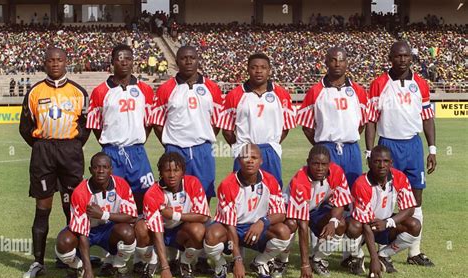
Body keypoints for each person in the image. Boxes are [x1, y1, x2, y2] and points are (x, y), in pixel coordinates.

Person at [19, 47, 90, 278]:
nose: (55, 64)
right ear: (45, 63)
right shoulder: (34, 92)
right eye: (51, 60)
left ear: (66, 62)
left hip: (70, 152)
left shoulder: (78, 92)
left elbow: (86, 126)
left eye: (59, 60)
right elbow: (25, 128)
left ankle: (70, 259)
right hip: (43, 153)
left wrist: (72, 144)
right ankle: (38, 262)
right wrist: (42, 146)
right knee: (42, 209)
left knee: (72, 208)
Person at [366, 41, 436, 266]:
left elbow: (427, 118)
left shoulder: (421, 84)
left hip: (413, 146)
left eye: (406, 56)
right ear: (390, 58)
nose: (402, 60)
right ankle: (364, 250)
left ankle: (413, 252)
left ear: (411, 58)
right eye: (397, 56)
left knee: (416, 198)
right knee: (382, 197)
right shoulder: (379, 84)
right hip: (389, 146)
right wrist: (369, 150)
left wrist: (432, 149)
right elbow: (371, 120)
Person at [203, 144, 291, 278]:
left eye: (254, 157)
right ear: (239, 161)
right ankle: (221, 264)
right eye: (245, 157)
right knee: (211, 235)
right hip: (232, 228)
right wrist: (237, 260)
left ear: (261, 161)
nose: (250, 160)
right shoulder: (227, 184)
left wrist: (262, 222)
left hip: (256, 228)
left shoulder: (271, 181)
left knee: (283, 231)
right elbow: (230, 225)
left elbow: (280, 214)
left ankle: (260, 262)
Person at [87, 44, 155, 214]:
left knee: (144, 194)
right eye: (120, 58)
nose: (124, 62)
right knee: (113, 196)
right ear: (112, 62)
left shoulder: (145, 90)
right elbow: (96, 126)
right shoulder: (100, 91)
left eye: (128, 59)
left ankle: (141, 233)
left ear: (133, 62)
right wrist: (109, 142)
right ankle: (114, 235)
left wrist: (137, 140)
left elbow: (149, 122)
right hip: (111, 153)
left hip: (137, 152)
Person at [151, 46, 223, 202]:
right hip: (175, 148)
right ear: (177, 62)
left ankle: (202, 223)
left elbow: (217, 121)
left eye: (192, 58)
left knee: (204, 193)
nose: (188, 61)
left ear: (198, 60)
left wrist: (202, 138)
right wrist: (169, 143)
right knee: (174, 194)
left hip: (202, 149)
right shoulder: (166, 89)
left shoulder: (212, 88)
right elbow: (157, 123)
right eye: (184, 58)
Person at [55, 153, 138, 278]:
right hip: (86, 232)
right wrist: (89, 270)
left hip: (108, 230)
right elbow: (82, 233)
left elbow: (132, 216)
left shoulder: (121, 185)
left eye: (105, 167)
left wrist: (103, 214)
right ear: (90, 170)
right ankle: (76, 266)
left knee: (127, 232)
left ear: (111, 170)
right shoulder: (80, 192)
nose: (100, 171)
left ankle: (118, 264)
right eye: (96, 167)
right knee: (64, 242)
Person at [217, 53, 296, 187]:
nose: (258, 71)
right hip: (245, 150)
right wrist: (240, 148)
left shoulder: (281, 94)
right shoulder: (234, 95)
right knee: (241, 192)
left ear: (269, 70)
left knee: (273, 191)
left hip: (270, 150)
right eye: (254, 67)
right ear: (248, 69)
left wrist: (272, 145)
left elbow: (285, 128)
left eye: (263, 67)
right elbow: (227, 130)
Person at [297, 47, 368, 188]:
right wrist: (322, 146)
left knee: (353, 190)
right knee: (326, 191)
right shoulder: (315, 91)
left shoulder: (358, 91)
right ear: (326, 62)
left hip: (351, 148)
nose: (337, 64)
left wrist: (347, 136)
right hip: (327, 148)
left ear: (346, 63)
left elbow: (362, 123)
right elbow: (306, 127)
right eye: (333, 60)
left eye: (341, 60)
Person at [346, 146, 421, 278]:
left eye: (386, 161)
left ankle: (384, 255)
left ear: (391, 163)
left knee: (414, 225)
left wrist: (388, 222)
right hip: (364, 227)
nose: (382, 165)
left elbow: (410, 208)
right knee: (353, 227)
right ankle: (356, 256)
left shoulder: (399, 177)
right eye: (377, 161)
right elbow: (366, 224)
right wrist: (372, 260)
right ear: (369, 162)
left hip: (384, 224)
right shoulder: (361, 183)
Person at [135, 152, 210, 278]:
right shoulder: (152, 193)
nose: (172, 175)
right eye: (167, 170)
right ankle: (152, 262)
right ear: (160, 172)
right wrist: (165, 268)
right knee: (141, 227)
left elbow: (204, 216)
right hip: (159, 232)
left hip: (181, 231)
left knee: (198, 229)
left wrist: (175, 215)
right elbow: (157, 231)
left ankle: (185, 263)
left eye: (176, 170)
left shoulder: (193, 183)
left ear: (183, 171)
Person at [283, 145, 352, 278]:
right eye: (315, 164)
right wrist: (304, 265)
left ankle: (317, 259)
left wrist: (332, 222)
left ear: (329, 164)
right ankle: (281, 260)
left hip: (316, 209)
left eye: (324, 164)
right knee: (290, 225)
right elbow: (303, 225)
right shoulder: (300, 181)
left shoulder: (337, 172)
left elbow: (341, 202)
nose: (320, 168)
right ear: (308, 162)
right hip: (290, 210)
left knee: (340, 224)